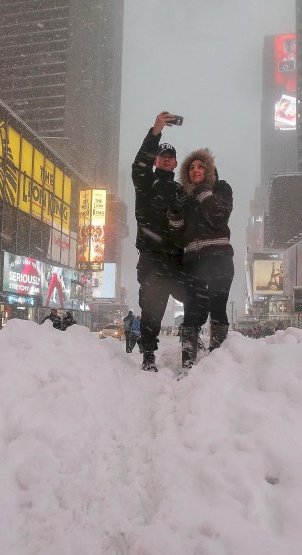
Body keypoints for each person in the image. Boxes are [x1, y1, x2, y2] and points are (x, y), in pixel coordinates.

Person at [168, 147, 234, 374]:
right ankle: (187, 363)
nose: (195, 170)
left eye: (200, 166)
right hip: (193, 261)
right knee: (191, 311)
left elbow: (218, 217)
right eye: (191, 167)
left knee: (218, 307)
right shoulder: (186, 197)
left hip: (219, 258)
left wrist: (202, 191)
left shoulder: (221, 188)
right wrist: (175, 214)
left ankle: (218, 360)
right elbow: (178, 237)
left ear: (210, 170)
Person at [131, 111, 187, 372]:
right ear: (156, 161)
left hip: (176, 258)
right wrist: (156, 130)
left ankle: (190, 344)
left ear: (175, 164)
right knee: (152, 308)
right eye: (162, 156)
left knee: (196, 298)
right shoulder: (145, 182)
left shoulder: (180, 191)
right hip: (152, 256)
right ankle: (148, 356)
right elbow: (139, 163)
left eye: (170, 157)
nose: (166, 159)